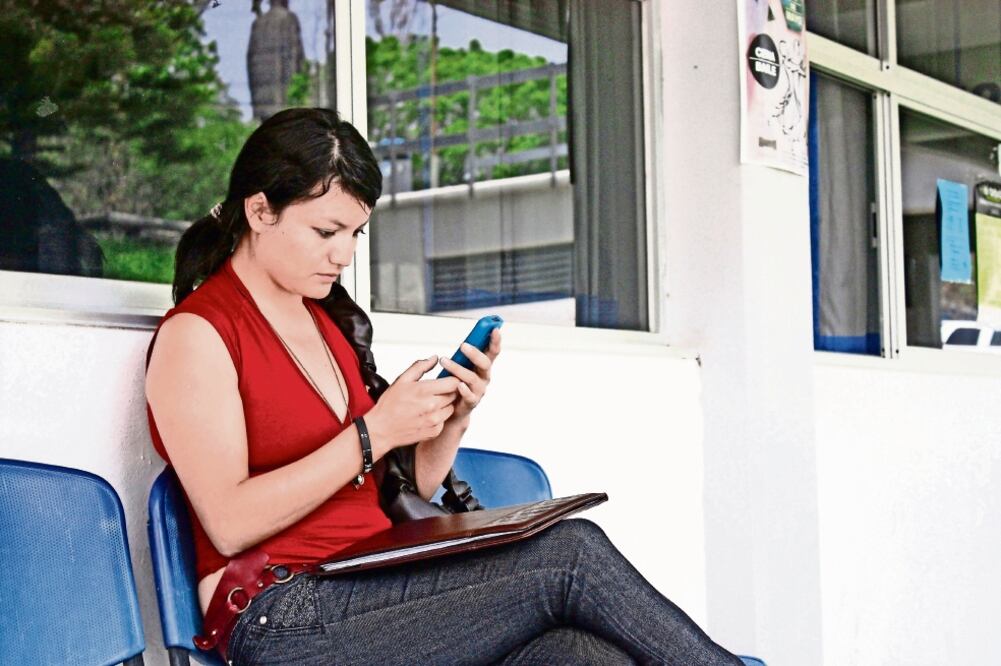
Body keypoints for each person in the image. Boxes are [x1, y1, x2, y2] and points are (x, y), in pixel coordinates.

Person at [145, 107, 744, 666]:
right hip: (281, 611)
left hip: (380, 587)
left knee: (579, 654)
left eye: (355, 234)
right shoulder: (199, 334)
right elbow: (227, 521)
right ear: (260, 212)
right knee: (573, 553)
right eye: (326, 231)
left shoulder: (326, 322)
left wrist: (447, 419)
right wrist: (374, 432)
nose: (344, 255)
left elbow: (396, 493)